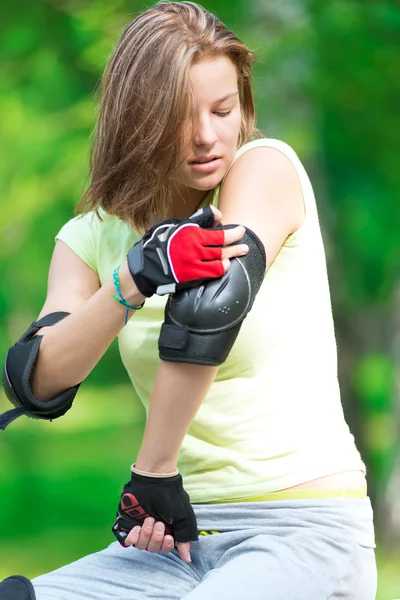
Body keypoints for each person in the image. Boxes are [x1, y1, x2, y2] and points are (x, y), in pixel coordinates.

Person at [0, 1, 377, 599]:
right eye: (181, 116)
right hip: (170, 543)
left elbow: (211, 305)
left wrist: (152, 471)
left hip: (301, 531)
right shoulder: (91, 235)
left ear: (244, 108)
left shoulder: (263, 168)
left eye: (223, 110)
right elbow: (37, 379)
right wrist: (132, 277)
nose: (207, 135)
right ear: (137, 120)